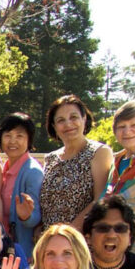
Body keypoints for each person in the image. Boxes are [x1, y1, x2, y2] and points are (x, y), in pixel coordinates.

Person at [39, 95, 113, 232]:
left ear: (84, 119)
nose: (68, 124)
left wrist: (68, 233)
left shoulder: (99, 152)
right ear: (54, 126)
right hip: (50, 242)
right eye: (61, 120)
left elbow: (100, 201)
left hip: (81, 240)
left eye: (73, 117)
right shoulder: (50, 158)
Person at [0, 112, 43, 256]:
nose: (12, 141)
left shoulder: (32, 172)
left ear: (29, 140)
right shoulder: (4, 167)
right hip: (3, 249)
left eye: (19, 136)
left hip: (22, 253)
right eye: (8, 135)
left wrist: (26, 216)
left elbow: (35, 218)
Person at [107, 100, 135, 251]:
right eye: (121, 126)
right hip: (118, 255)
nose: (127, 131)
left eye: (134, 125)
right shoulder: (113, 163)